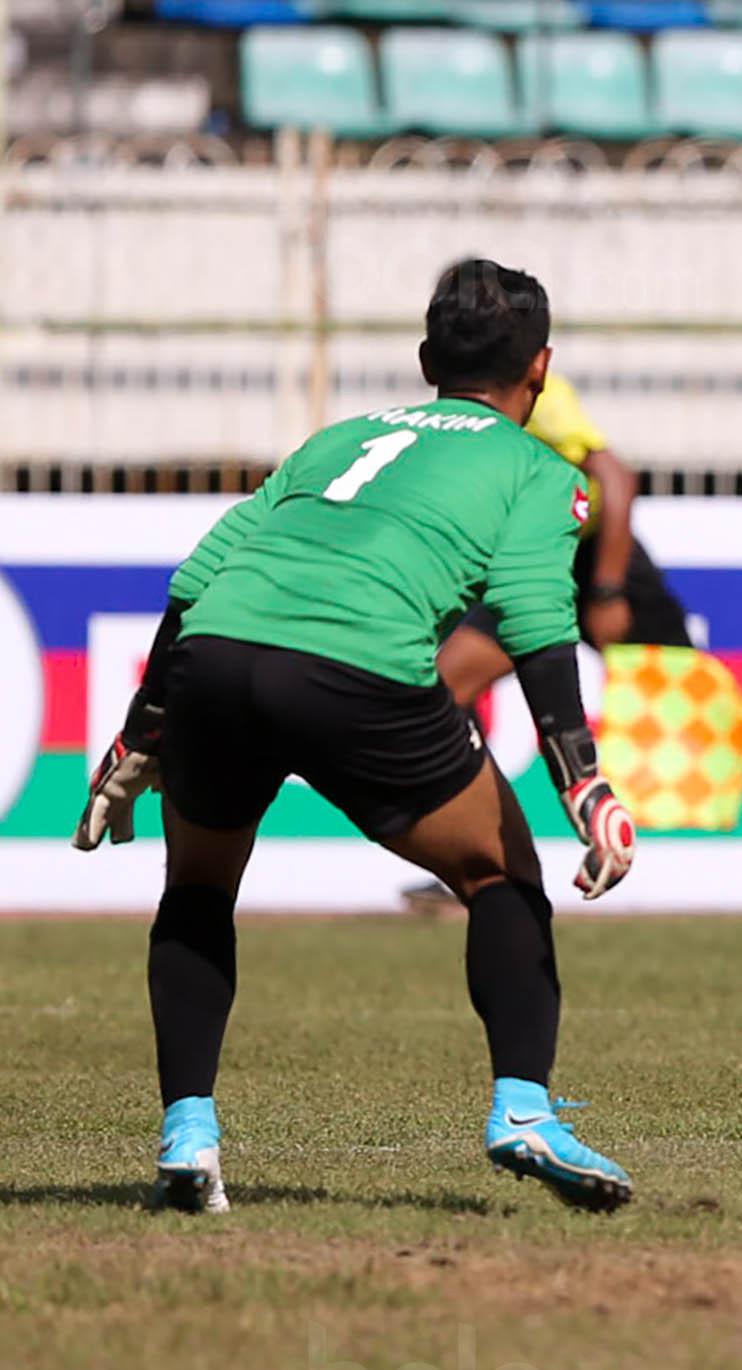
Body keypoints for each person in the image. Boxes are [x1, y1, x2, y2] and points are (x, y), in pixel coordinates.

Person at [74, 258, 641, 1213]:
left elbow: (198, 577)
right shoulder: (541, 470)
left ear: (427, 359)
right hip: (355, 670)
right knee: (501, 876)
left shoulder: (335, 440)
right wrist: (584, 785)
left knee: (199, 887)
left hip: (216, 657)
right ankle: (524, 1111)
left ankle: (189, 1135)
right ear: (540, 372)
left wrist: (139, 739)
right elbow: (540, 623)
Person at [428, 373, 742, 919]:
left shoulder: (535, 396)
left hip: (604, 564)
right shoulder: (458, 409)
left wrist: (605, 589)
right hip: (538, 566)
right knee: (447, 688)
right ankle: (475, 859)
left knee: (713, 716)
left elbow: (616, 479)